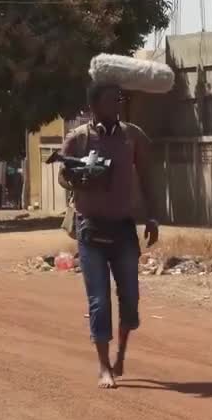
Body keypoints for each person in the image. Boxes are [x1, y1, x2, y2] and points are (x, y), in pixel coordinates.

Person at [59, 82, 160, 389]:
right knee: (99, 301)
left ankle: (121, 356)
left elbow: (147, 176)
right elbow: (63, 176)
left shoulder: (133, 136)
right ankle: (103, 366)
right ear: (94, 105)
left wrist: (152, 217)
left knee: (129, 298)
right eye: (110, 100)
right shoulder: (78, 138)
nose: (117, 104)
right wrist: (81, 174)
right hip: (90, 229)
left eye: (118, 99)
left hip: (123, 228)